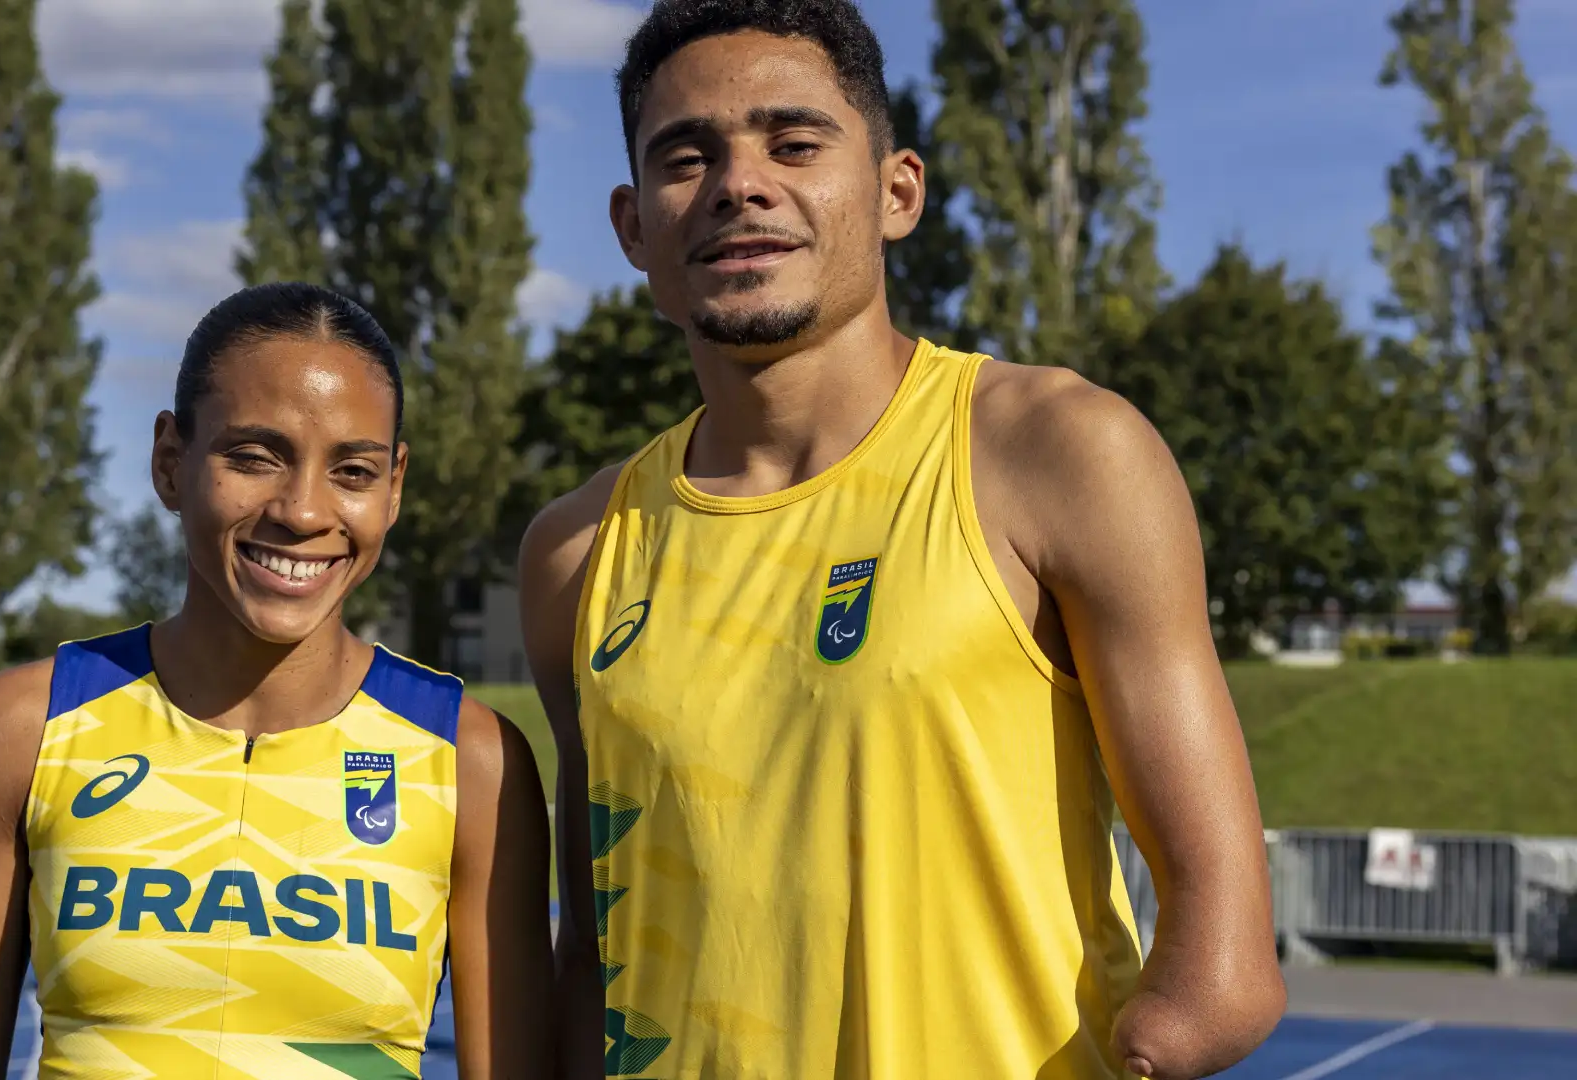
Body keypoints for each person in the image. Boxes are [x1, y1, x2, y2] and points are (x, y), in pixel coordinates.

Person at [517, 2, 1286, 1078]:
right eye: (687, 157)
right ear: (635, 225)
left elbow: (1226, 959)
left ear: (896, 191)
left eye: (793, 143)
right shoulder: (574, 554)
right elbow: (592, 955)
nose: (740, 182)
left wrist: (1170, 1033)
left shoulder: (1058, 452)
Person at [0, 282, 554, 1079]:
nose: (302, 510)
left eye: (352, 471)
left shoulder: (471, 759)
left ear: (393, 488)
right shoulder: (25, 726)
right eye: (255, 457)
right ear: (170, 463)